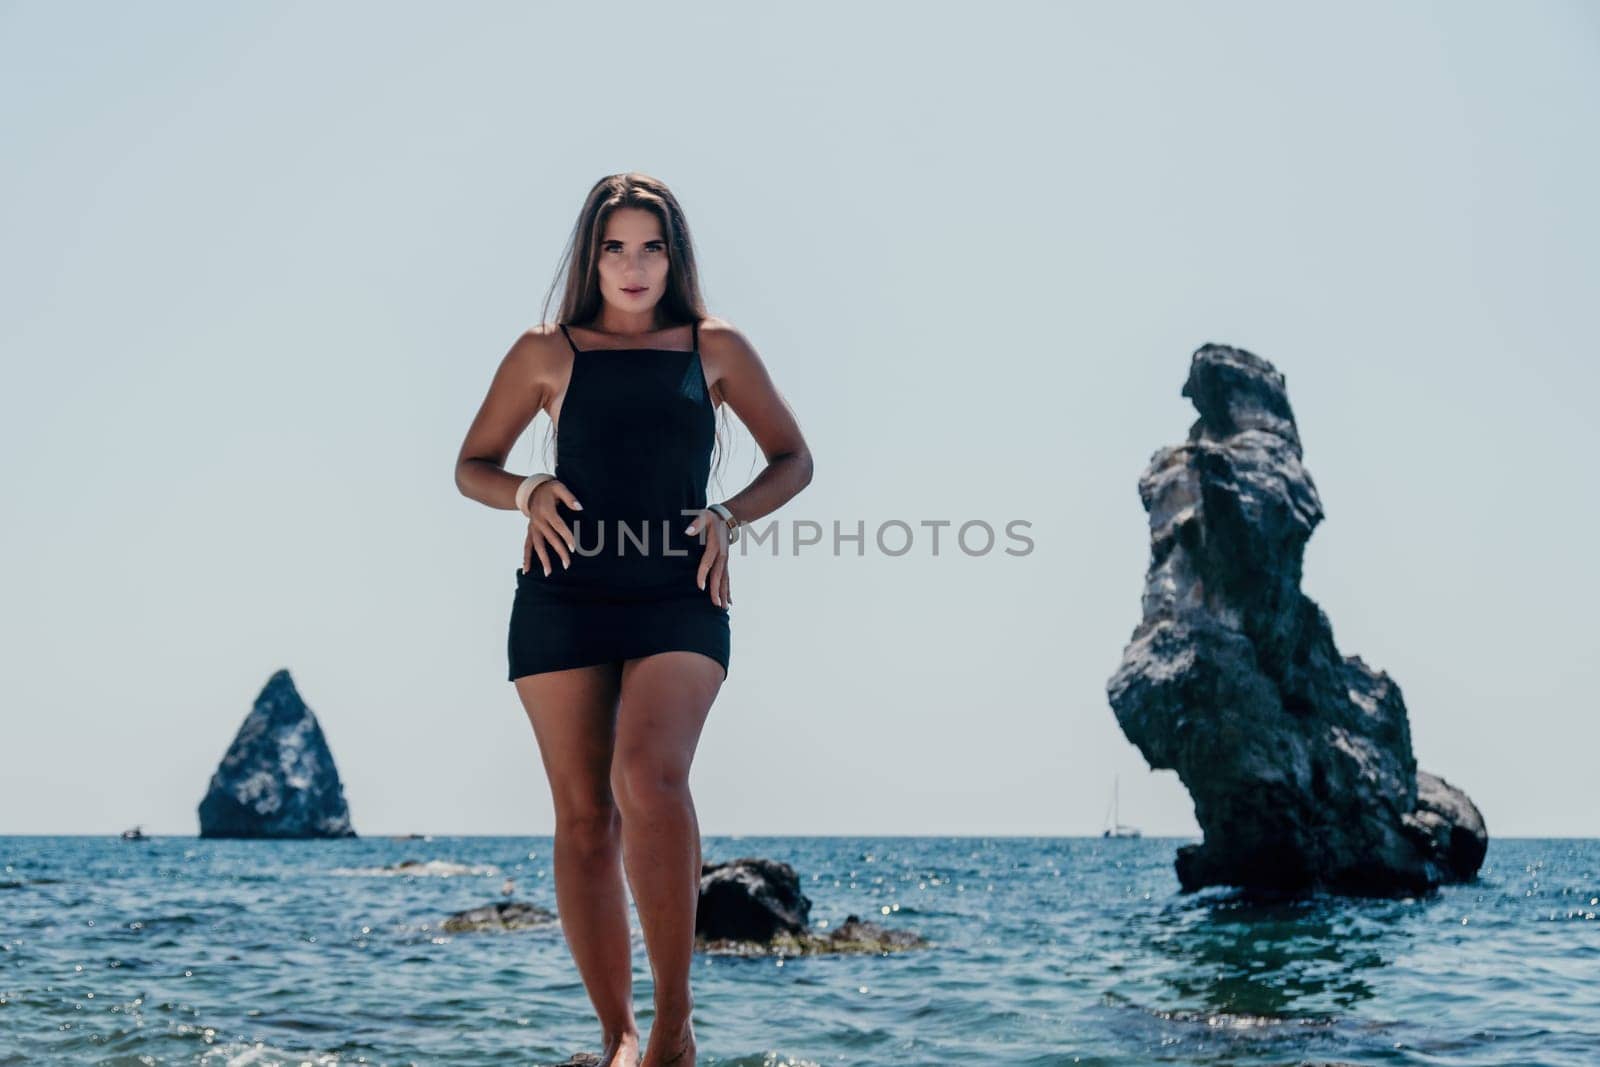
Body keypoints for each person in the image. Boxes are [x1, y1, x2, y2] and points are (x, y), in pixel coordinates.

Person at [454, 172, 814, 1067]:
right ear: (592, 255)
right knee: (583, 816)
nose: (633, 263)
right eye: (615, 245)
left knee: (648, 776)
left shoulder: (713, 346)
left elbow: (794, 457)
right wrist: (527, 488)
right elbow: (472, 464)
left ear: (674, 255)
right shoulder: (546, 351)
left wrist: (729, 516)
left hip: (678, 592)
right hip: (560, 591)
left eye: (651, 245)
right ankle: (616, 1035)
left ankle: (673, 1027)